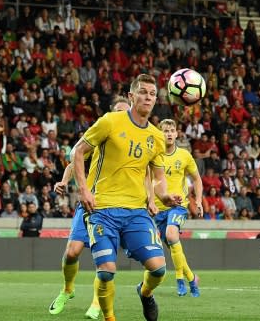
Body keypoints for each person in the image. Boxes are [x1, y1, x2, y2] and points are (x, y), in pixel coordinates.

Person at [73, 74, 182, 321]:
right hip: (102, 209)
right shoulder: (110, 122)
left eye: (152, 94)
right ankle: (110, 318)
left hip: (136, 212)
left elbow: (157, 176)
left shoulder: (156, 137)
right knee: (106, 272)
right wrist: (84, 189)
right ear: (132, 96)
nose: (148, 97)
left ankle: (145, 293)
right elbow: (78, 151)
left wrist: (164, 196)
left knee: (159, 269)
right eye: (143, 92)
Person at [49, 97, 130, 320]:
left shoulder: (133, 145)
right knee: (72, 252)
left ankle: (96, 302)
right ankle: (67, 289)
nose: (122, 116)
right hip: (89, 204)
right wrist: (65, 182)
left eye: (126, 112)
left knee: (103, 261)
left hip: (115, 209)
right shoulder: (103, 137)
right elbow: (75, 159)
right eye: (118, 112)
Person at [153, 119, 203, 297]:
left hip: (179, 206)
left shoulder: (184, 155)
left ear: (176, 134)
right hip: (159, 210)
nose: (168, 133)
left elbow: (197, 179)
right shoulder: (153, 155)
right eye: (165, 131)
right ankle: (192, 279)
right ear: (160, 134)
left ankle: (179, 279)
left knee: (171, 235)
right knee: (173, 246)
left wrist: (198, 200)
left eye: (171, 130)